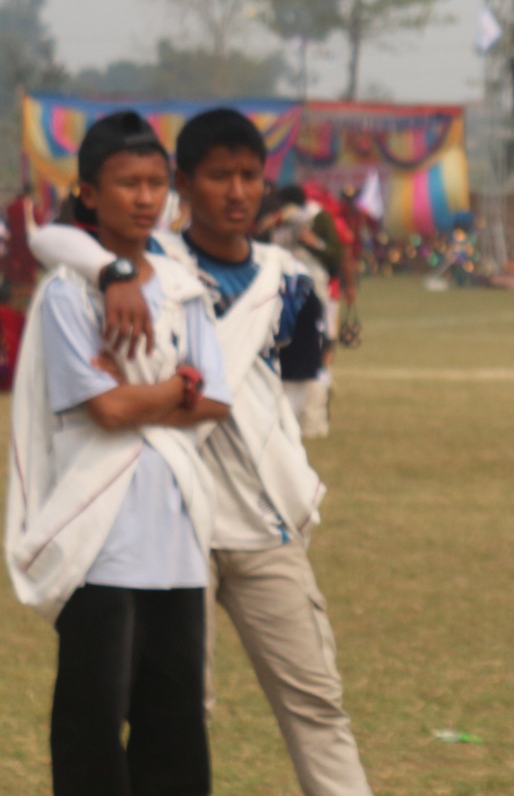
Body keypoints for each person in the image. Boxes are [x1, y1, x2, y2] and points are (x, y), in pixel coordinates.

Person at [32, 109, 375, 792]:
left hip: (263, 522)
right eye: (219, 175)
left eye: (250, 175)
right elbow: (51, 238)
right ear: (184, 184)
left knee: (315, 701)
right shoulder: (149, 260)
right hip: (175, 529)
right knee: (181, 710)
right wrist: (113, 272)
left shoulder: (289, 278)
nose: (238, 191)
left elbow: (300, 383)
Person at [6, 112, 232, 796]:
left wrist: (143, 389)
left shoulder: (185, 286)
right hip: (98, 540)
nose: (143, 197)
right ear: (89, 193)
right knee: (92, 718)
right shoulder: (68, 295)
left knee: (174, 723)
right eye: (126, 182)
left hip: (177, 544)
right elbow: (104, 410)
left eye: (155, 183)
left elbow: (216, 398)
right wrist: (174, 386)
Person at [267, 186, 354, 437]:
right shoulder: (278, 221)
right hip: (284, 295)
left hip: (316, 292)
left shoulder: (319, 218)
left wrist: (310, 241)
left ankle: (315, 418)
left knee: (318, 351)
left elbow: (335, 255)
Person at [5, 179, 41, 291]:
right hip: (28, 252)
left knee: (15, 282)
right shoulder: (33, 209)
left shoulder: (11, 207)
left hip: (14, 251)